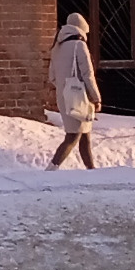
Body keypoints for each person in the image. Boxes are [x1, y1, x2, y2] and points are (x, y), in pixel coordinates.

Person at [47, 10, 100, 168]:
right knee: (73, 136)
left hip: (64, 96)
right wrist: (96, 98)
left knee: (84, 136)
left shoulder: (57, 47)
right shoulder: (80, 45)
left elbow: (52, 76)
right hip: (79, 97)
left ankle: (92, 171)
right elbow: (88, 74)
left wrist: (65, 87)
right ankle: (51, 169)